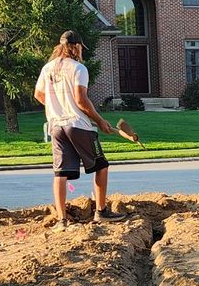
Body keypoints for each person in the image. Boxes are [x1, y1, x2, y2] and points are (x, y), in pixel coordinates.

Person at [33, 30, 137, 229]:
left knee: (60, 173)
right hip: (78, 125)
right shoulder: (79, 68)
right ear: (76, 46)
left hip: (56, 127)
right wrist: (99, 120)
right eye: (81, 47)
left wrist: (57, 107)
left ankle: (62, 220)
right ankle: (101, 211)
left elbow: (38, 94)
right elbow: (81, 99)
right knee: (101, 165)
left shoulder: (47, 68)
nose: (81, 51)